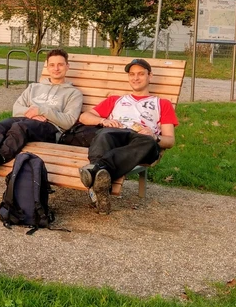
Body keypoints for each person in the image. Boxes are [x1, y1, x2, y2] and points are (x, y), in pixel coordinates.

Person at [0, 48, 84, 182]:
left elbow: (68, 121)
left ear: (67, 66)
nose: (56, 68)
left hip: (51, 129)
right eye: (52, 65)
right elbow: (16, 108)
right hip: (28, 120)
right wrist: (32, 115)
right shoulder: (34, 88)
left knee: (20, 127)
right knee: (0, 126)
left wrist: (41, 111)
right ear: (47, 67)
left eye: (60, 64)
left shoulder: (74, 93)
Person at [76, 58, 179, 213]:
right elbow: (84, 117)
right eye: (132, 74)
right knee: (104, 134)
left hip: (142, 142)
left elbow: (170, 141)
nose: (135, 78)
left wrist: (154, 136)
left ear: (149, 76)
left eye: (140, 74)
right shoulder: (116, 100)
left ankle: (95, 170)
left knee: (149, 142)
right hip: (117, 134)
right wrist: (103, 121)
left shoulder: (162, 104)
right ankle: (100, 186)